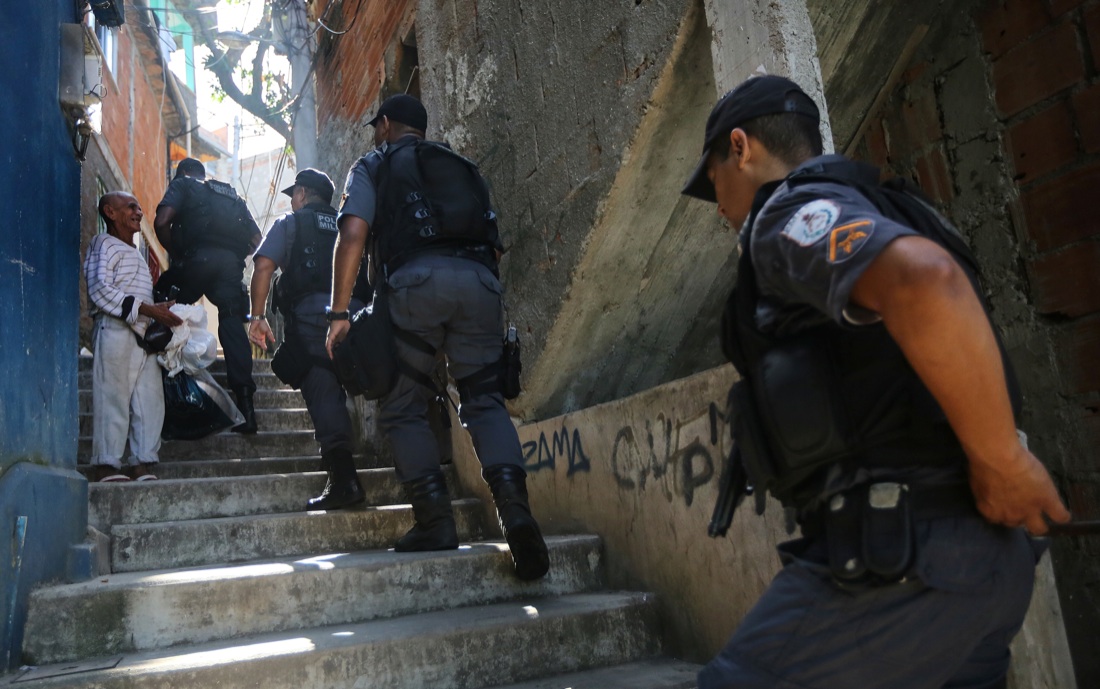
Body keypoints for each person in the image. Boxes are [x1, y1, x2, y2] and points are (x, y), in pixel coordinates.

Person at [681, 75, 1072, 689]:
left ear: (741, 147)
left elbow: (926, 284)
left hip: (905, 559)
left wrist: (1001, 459)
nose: (721, 207)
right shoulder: (899, 207)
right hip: (991, 562)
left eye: (714, 183)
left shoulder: (784, 212)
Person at [325, 94, 550, 581]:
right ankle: (516, 515)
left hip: (416, 286)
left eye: (375, 126)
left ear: (384, 125)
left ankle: (435, 521)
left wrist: (340, 312)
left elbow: (354, 230)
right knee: (485, 403)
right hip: (480, 285)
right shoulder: (462, 165)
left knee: (403, 406)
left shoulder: (373, 162)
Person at [248, 168, 366, 510]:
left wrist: (257, 317)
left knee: (322, 384)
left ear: (301, 194)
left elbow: (264, 265)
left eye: (293, 195)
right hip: (358, 314)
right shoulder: (349, 222)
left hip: (315, 317)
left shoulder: (292, 222)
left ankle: (344, 479)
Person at [153, 157, 261, 433]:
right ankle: (247, 410)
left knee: (169, 313)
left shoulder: (184, 184)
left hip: (193, 260)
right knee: (232, 324)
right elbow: (256, 240)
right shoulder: (231, 195)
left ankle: (168, 402)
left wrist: (178, 254)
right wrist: (233, 258)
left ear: (184, 173)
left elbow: (162, 221)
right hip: (229, 267)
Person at [85, 192, 183, 482]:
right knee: (112, 396)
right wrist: (146, 308)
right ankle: (107, 465)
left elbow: (138, 297)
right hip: (114, 331)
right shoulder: (103, 243)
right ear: (110, 213)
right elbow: (98, 289)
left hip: (143, 336)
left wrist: (157, 310)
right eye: (131, 207)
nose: (139, 212)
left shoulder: (138, 255)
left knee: (149, 400)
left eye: (139, 207)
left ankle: (142, 462)